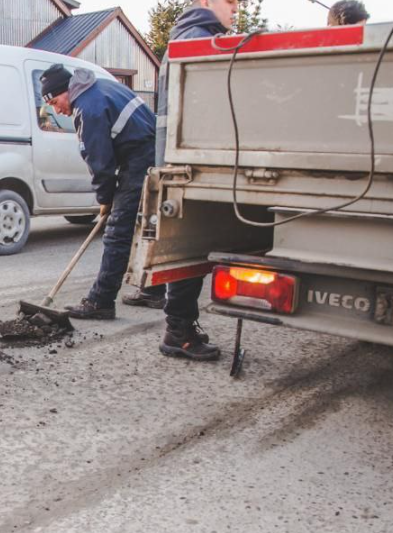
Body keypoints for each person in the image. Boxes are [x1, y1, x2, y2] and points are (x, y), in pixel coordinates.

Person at [39, 64, 166, 320]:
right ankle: (153, 290)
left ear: (67, 90)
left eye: (55, 101)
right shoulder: (99, 87)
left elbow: (100, 162)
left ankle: (101, 301)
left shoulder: (88, 107)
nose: (57, 109)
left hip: (140, 158)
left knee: (118, 231)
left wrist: (106, 200)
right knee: (148, 225)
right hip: (154, 154)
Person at [153, 0, 236, 361]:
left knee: (188, 249)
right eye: (231, 1)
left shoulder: (189, 38)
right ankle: (178, 331)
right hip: (188, 163)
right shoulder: (199, 40)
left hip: (182, 161)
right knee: (190, 248)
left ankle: (179, 326)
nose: (237, 9)